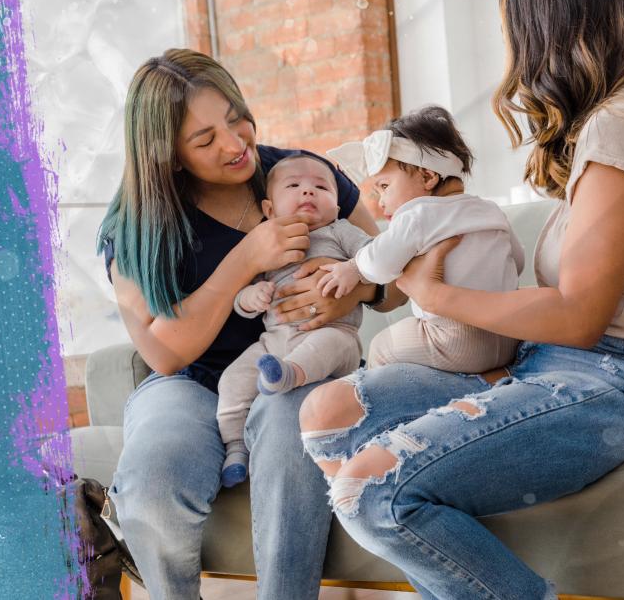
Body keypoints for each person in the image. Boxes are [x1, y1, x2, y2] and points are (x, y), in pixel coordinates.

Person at [298, 0, 624, 598]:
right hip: (566, 361)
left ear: (549, 34)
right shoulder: (612, 124)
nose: (511, 60)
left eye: (514, 37)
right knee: (331, 412)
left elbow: (581, 316)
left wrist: (434, 292)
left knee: (371, 491)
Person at [96, 48, 399, 599]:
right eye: (205, 140)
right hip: (189, 383)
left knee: (290, 430)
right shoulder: (136, 225)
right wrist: (246, 259)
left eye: (235, 118)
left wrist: (355, 287)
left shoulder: (302, 175)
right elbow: (165, 354)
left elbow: (393, 278)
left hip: (298, 369)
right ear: (167, 155)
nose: (236, 145)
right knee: (154, 478)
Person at [317, 106, 523, 373]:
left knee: (381, 346)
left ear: (427, 176)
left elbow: (380, 264)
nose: (381, 202)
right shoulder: (490, 210)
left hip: (454, 338)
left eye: (384, 186)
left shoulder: (417, 214)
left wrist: (353, 268)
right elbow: (516, 260)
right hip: (508, 334)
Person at [216, 155, 371, 488]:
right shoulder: (265, 240)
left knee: (327, 345)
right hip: (275, 340)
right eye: (294, 186)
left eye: (320, 187)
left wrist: (350, 271)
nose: (308, 192)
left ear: (338, 207)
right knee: (232, 380)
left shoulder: (340, 231)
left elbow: (375, 255)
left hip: (334, 333)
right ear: (269, 210)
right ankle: (235, 449)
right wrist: (251, 296)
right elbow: (240, 297)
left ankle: (287, 377)